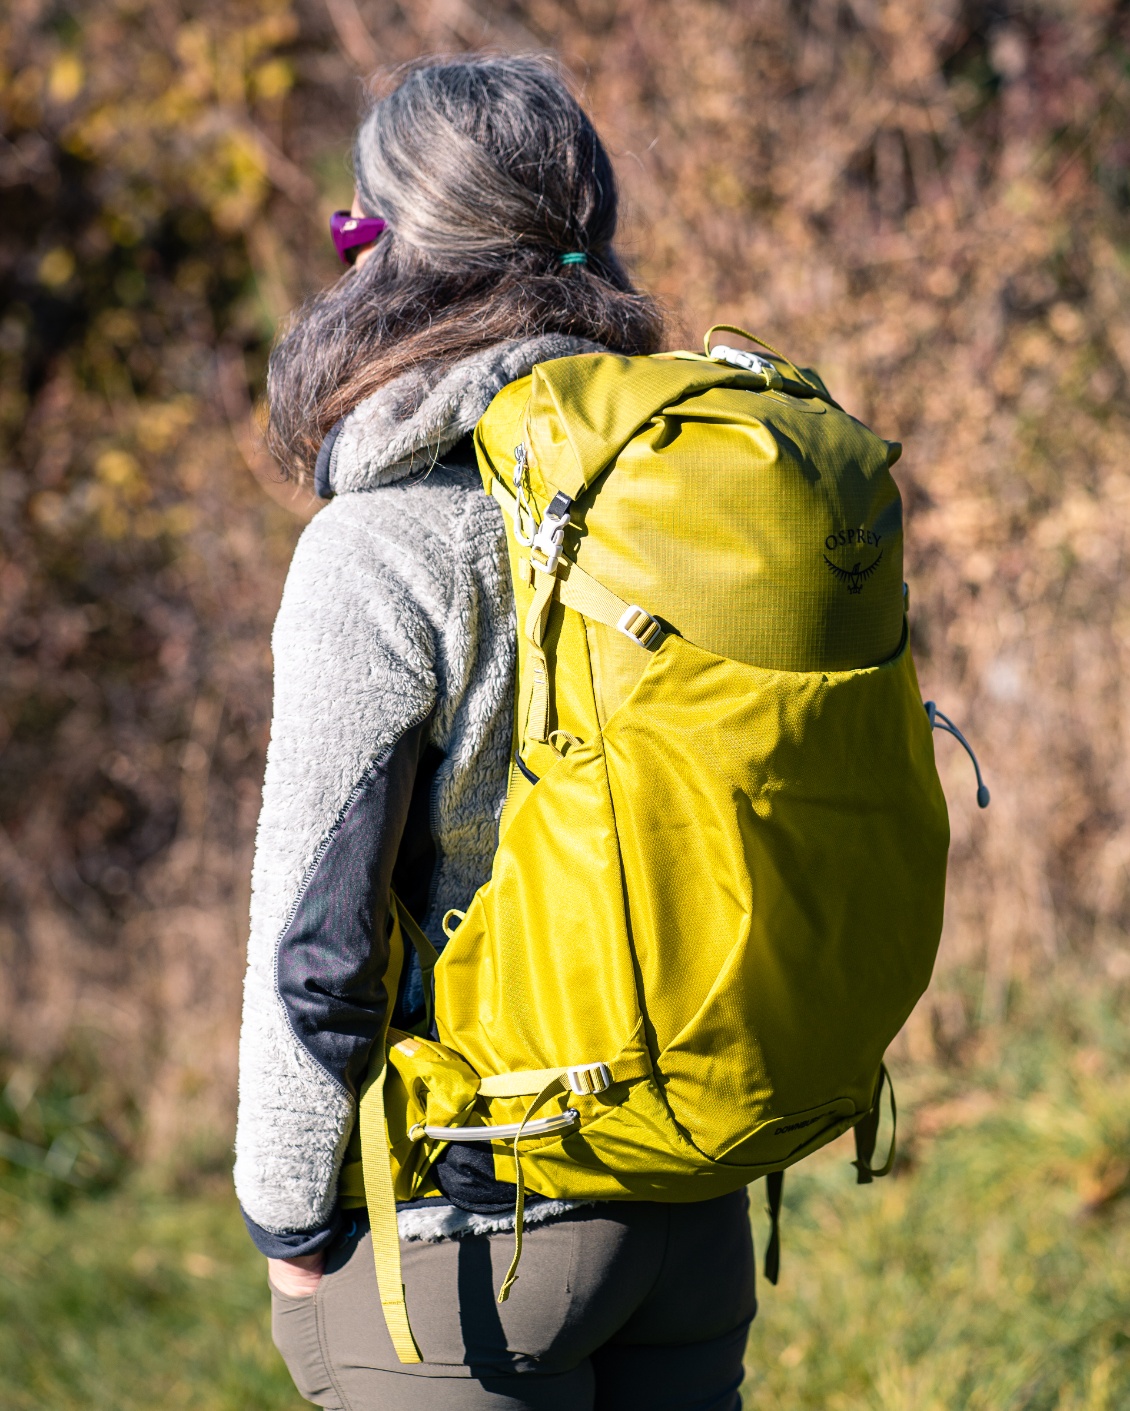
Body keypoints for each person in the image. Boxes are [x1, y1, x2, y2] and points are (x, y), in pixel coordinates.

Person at [235, 55, 756, 1411]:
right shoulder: (688, 492)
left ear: (388, 249)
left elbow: (320, 929)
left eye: (354, 229)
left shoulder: (381, 547)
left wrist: (290, 1223)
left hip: (471, 1224)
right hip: (692, 1189)